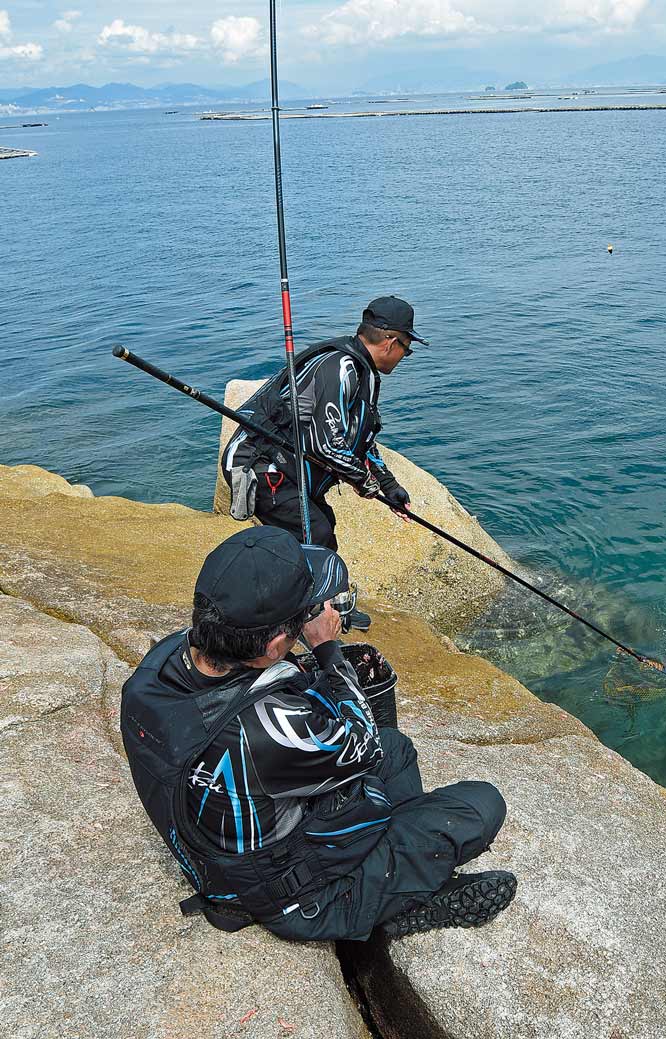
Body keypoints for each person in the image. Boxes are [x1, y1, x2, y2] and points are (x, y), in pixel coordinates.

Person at [120, 527, 517, 941]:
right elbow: (364, 743)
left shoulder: (159, 664)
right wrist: (326, 647)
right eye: (302, 616)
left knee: (397, 752)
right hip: (287, 896)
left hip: (218, 844)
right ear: (275, 643)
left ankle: (394, 856)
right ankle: (392, 899)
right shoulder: (271, 728)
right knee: (479, 805)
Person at [221, 296, 425, 631]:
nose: (405, 356)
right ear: (391, 341)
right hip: (261, 467)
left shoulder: (359, 370)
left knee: (321, 526)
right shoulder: (340, 367)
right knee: (313, 532)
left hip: (291, 471)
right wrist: (365, 483)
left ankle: (326, 608)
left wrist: (389, 487)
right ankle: (292, 617)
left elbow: (361, 441)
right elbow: (326, 445)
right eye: (407, 347)